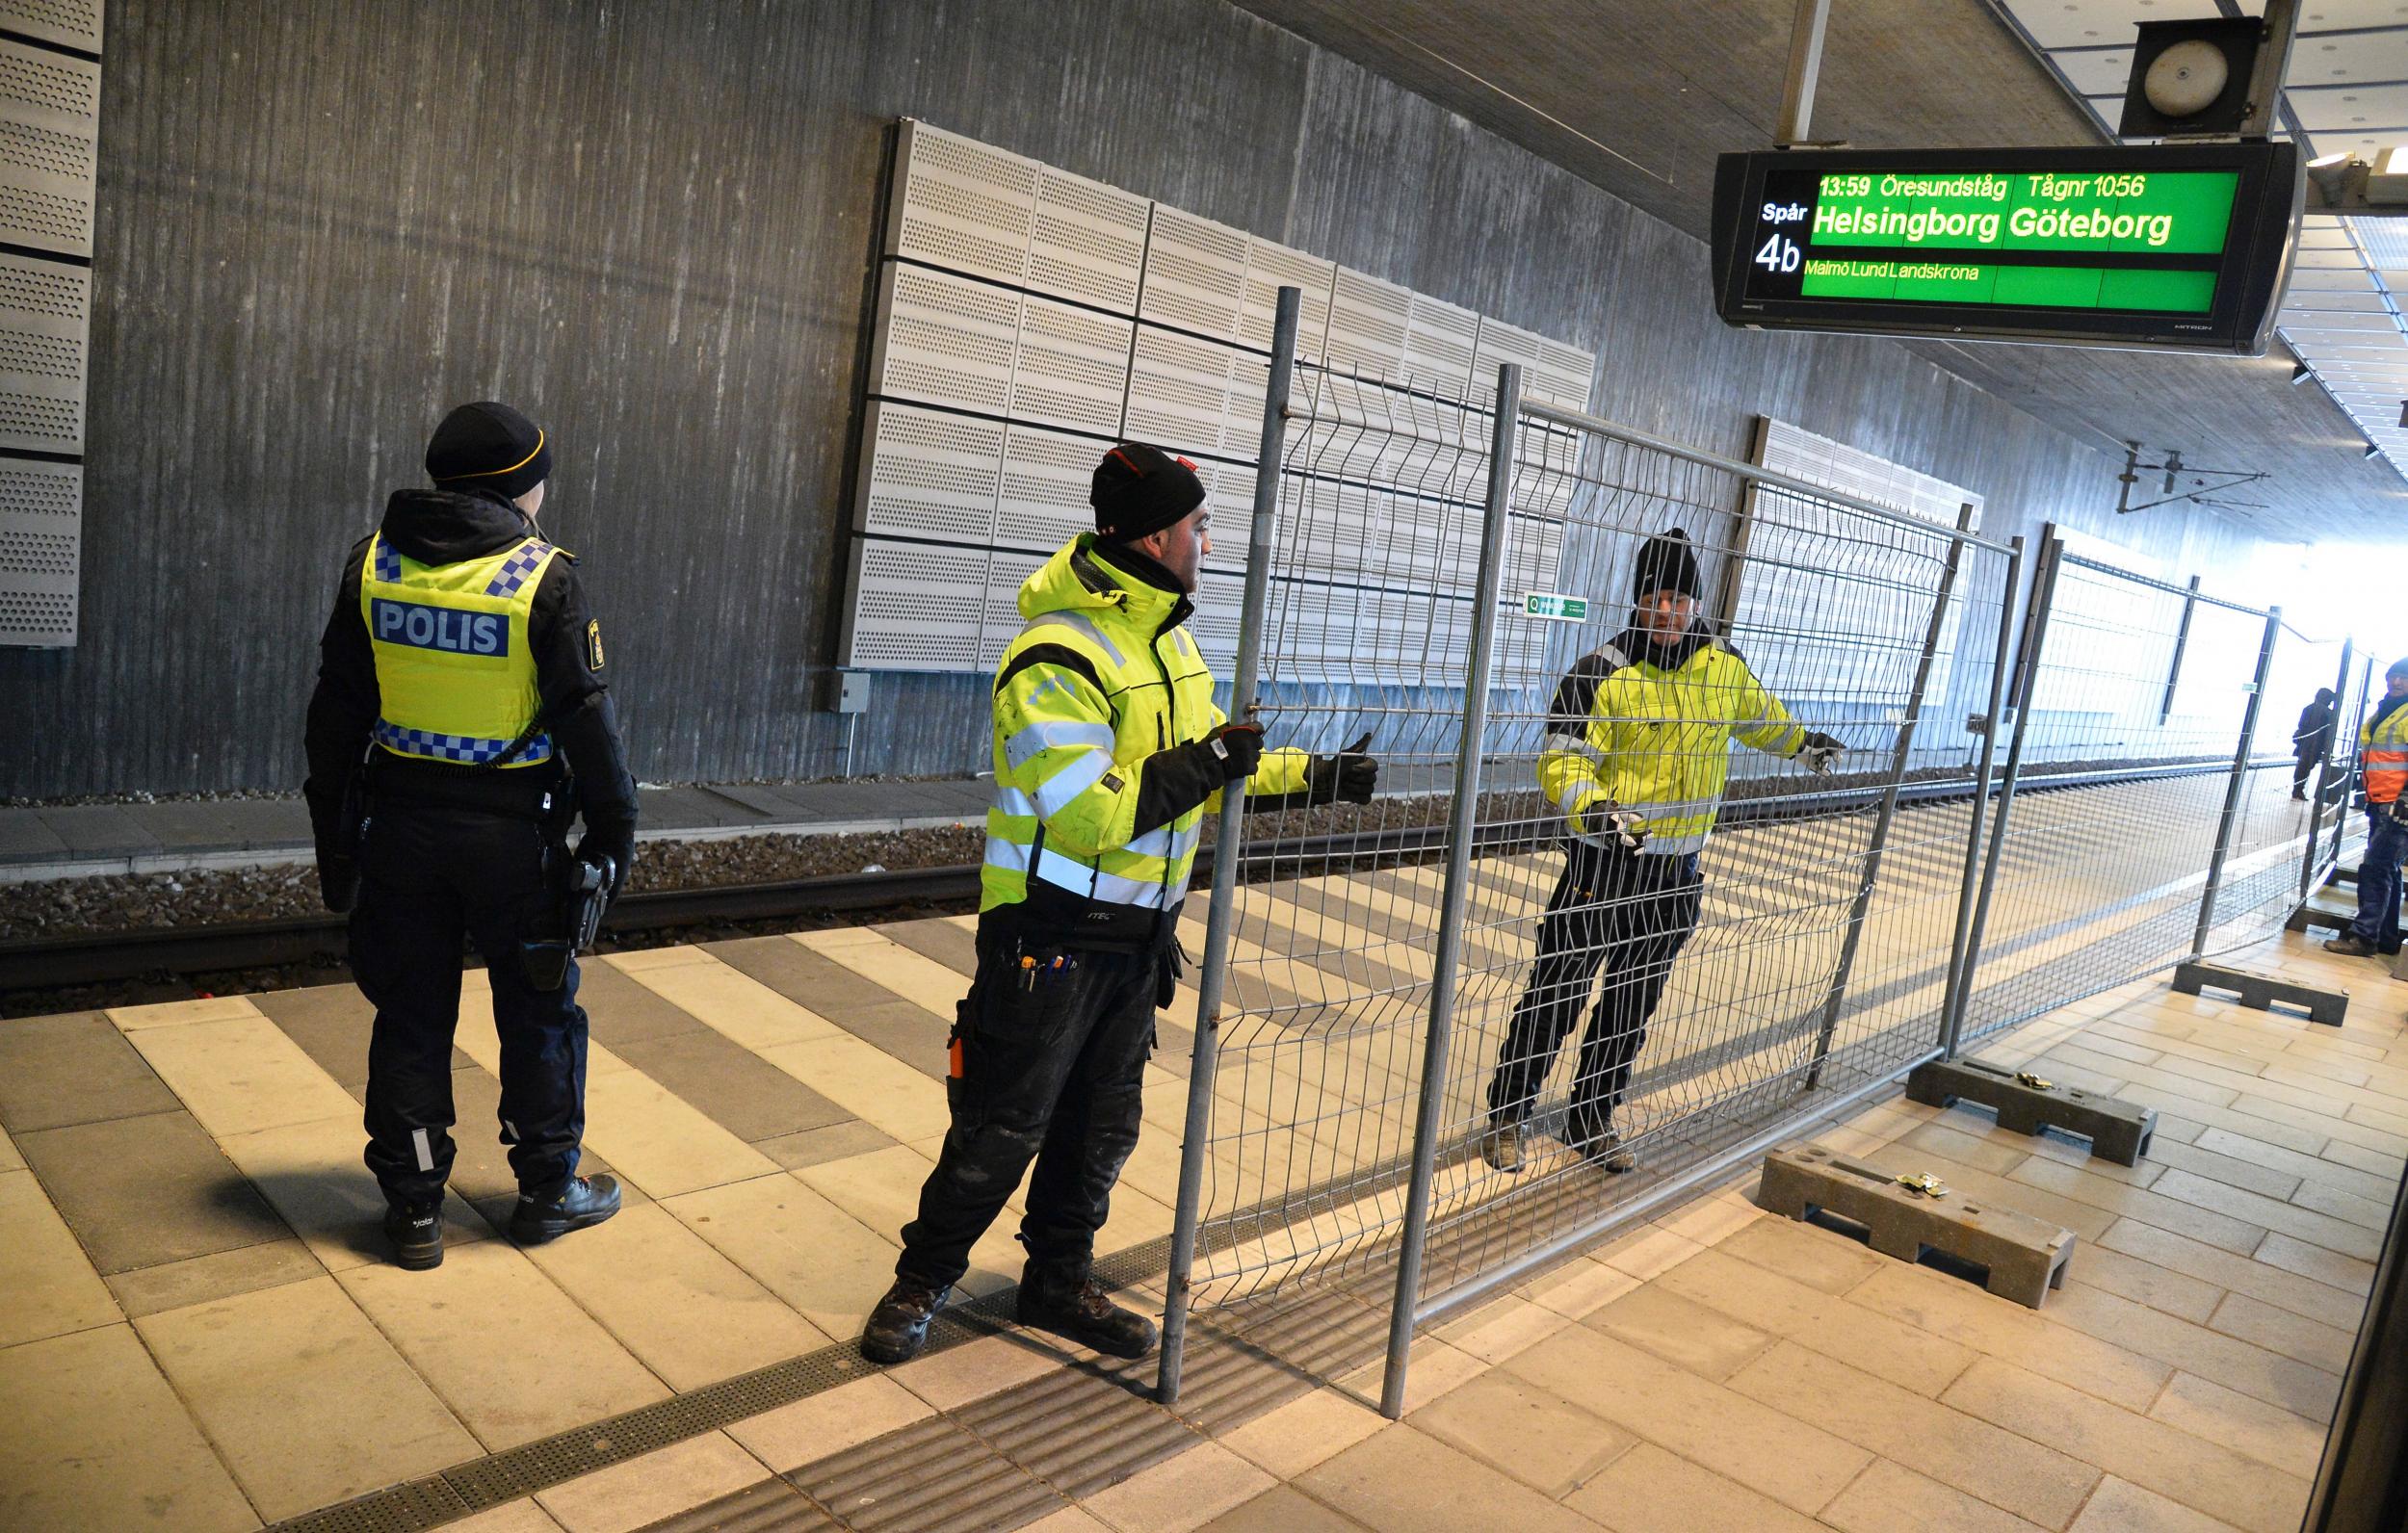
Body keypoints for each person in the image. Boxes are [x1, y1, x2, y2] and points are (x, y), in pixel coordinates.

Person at [859, 443, 1379, 1365]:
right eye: (1199, 526)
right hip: (1050, 933)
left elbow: (1199, 773)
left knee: (1101, 1127)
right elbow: (1092, 812)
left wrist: (1312, 776)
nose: (1206, 542)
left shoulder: (1167, 642)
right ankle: (919, 1283)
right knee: (1003, 1125)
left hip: (1137, 939)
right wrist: (1215, 759)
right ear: (1154, 535)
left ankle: (1057, 1284)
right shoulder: (1055, 653)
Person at [304, 401, 639, 1270]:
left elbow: (335, 715)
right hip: (513, 842)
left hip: (400, 831)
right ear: (518, 487)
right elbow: (587, 725)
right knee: (537, 1014)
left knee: (411, 1016)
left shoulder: (371, 565)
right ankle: (545, 1191)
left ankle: (414, 1207)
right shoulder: (543, 578)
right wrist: (613, 831)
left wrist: (333, 840)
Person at [1481, 528, 1843, 1175]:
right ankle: (1509, 1113)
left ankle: (1591, 1118)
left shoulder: (1724, 668)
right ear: (1638, 602)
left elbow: (1763, 720)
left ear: (1698, 605)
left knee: (1632, 999)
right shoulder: (1601, 673)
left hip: (1676, 874)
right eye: (1657, 598)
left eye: (1681, 599)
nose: (1670, 612)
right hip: (1603, 863)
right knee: (1558, 991)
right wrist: (1594, 807)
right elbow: (1562, 760)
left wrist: (1804, 743)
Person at [2326, 661, 2408, 960]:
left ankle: (2363, 939)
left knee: (2374, 870)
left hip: (2398, 806)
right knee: (2388, 870)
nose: (2396, 682)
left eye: (2403, 678)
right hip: (2379, 800)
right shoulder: (2385, 711)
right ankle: (2385, 937)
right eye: (2393, 677)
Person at [2293, 687, 2338, 801]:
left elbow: (2301, 725)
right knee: (2306, 766)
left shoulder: (2308, 708)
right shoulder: (2329, 713)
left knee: (2303, 766)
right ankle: (2299, 790)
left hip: (2305, 744)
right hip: (2317, 745)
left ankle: (2297, 789)